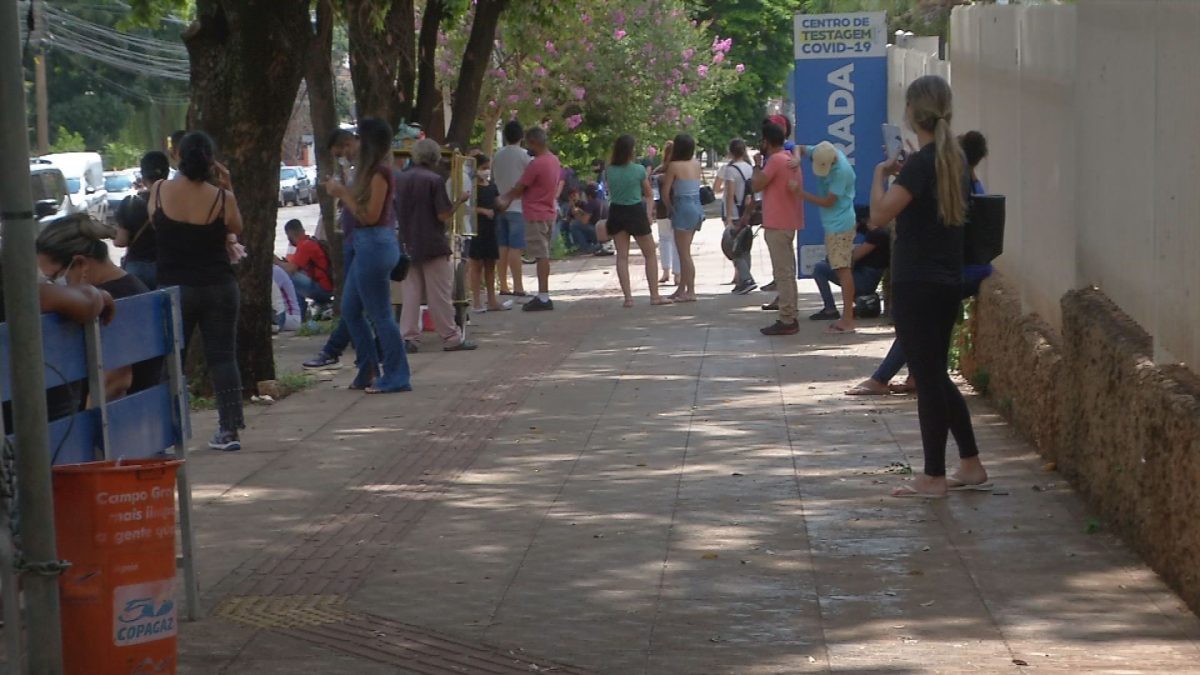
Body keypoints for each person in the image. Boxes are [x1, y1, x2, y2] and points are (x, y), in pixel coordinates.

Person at [868, 75, 987, 498]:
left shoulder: (920, 165)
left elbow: (878, 216)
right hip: (947, 283)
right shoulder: (954, 161)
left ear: (911, 113)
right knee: (935, 375)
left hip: (916, 283)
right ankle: (970, 463)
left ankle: (933, 475)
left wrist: (880, 173)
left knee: (928, 379)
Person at [849, 130, 991, 397]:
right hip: (961, 269)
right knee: (922, 328)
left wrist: (889, 172)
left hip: (954, 271)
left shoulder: (956, 187)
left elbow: (882, 215)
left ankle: (881, 378)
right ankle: (915, 378)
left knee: (913, 327)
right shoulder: (970, 185)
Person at [148, 131, 246, 450]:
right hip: (219, 286)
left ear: (178, 156)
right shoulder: (221, 198)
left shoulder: (159, 190)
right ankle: (229, 430)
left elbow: (155, 224)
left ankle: (166, 433)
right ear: (211, 161)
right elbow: (235, 227)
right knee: (223, 358)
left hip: (174, 289)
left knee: (171, 361)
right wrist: (227, 188)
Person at [322, 118, 413, 393]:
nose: (355, 144)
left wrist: (342, 194)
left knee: (381, 314)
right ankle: (368, 368)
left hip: (375, 245)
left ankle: (397, 375)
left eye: (359, 138)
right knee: (350, 310)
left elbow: (370, 216)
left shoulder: (380, 174)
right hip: (367, 245)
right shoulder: (367, 172)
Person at [36, 214, 160, 402]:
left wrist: (87, 419)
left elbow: (115, 382)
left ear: (80, 264)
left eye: (53, 277)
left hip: (115, 414)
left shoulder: (112, 304)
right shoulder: (132, 288)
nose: (55, 286)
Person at [397, 138, 477, 351]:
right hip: (432, 243)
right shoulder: (434, 180)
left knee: (411, 294)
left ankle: (409, 337)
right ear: (435, 157)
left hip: (407, 242)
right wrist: (459, 200)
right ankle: (451, 337)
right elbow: (443, 214)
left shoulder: (401, 179)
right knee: (439, 294)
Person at [302, 129, 361, 369]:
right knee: (359, 307)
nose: (341, 159)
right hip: (355, 240)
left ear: (348, 145)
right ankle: (363, 357)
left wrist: (340, 191)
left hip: (362, 242)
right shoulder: (355, 170)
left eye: (340, 154)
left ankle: (334, 350)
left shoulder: (366, 171)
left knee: (358, 306)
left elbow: (362, 209)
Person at [496, 126, 561, 312]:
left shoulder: (536, 164)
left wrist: (505, 198)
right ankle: (542, 294)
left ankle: (543, 296)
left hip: (535, 213)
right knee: (542, 253)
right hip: (548, 211)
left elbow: (521, 186)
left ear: (533, 142)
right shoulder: (553, 160)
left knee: (540, 255)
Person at [797, 141, 858, 333]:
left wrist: (800, 193)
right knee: (839, 267)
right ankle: (846, 316)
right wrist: (796, 158)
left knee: (842, 270)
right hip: (833, 224)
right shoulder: (822, 151)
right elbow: (799, 147)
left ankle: (848, 319)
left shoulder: (841, 172)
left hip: (840, 225)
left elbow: (827, 201)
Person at [604, 134, 671, 308]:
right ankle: (654, 295)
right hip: (634, 211)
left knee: (622, 256)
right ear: (630, 151)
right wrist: (649, 213)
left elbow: (610, 191)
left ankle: (628, 298)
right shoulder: (639, 170)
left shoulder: (609, 170)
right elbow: (648, 194)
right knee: (650, 253)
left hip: (616, 211)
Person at [751, 123, 805, 335]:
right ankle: (791, 311)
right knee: (788, 272)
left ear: (766, 142)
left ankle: (787, 318)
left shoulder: (775, 161)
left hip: (777, 223)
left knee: (782, 273)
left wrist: (756, 166)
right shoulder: (790, 159)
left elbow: (756, 185)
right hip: (789, 221)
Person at [114, 151, 170, 290]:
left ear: (143, 177)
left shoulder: (131, 203)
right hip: (166, 266)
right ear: (167, 174)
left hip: (137, 267)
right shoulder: (174, 202)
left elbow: (121, 241)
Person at [659, 134, 703, 303]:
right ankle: (681, 289)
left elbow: (665, 192)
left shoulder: (674, 166)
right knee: (685, 251)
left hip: (682, 207)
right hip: (696, 206)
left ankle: (690, 291)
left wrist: (670, 208)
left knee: (684, 254)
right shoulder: (696, 164)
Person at [467, 156, 511, 314]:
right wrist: (483, 211)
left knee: (490, 265)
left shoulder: (492, 186)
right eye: (483, 167)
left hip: (491, 229)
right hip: (476, 229)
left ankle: (492, 300)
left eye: (488, 168)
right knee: (476, 265)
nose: (486, 171)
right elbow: (467, 207)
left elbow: (499, 203)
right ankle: (476, 301)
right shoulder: (471, 186)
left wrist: (508, 200)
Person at [493, 120, 531, 298]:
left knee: (502, 247)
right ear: (521, 136)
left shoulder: (497, 155)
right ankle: (518, 286)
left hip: (500, 204)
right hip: (518, 206)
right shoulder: (524, 156)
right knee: (516, 247)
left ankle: (503, 285)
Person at [716, 139, 756, 295]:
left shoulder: (730, 170)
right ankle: (742, 280)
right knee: (745, 247)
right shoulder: (749, 168)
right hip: (747, 212)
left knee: (734, 248)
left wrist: (728, 217)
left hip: (735, 213)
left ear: (731, 152)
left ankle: (746, 279)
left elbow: (729, 194)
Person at [276, 219, 334, 315]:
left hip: (323, 289)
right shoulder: (311, 241)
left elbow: (291, 269)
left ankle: (298, 312)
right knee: (292, 276)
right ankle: (299, 310)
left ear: (290, 234)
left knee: (287, 276)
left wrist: (276, 261)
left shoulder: (304, 245)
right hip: (328, 287)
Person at [652, 141, 680, 287]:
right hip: (677, 208)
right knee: (677, 241)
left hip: (662, 209)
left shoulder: (658, 171)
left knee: (664, 239)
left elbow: (654, 193)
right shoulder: (680, 170)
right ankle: (677, 274)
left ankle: (665, 271)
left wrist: (653, 208)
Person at [568, 184, 604, 254]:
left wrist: (576, 213)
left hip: (597, 232)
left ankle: (585, 248)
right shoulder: (599, 202)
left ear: (588, 195)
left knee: (574, 225)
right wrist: (581, 212)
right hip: (604, 231)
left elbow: (584, 221)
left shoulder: (591, 204)